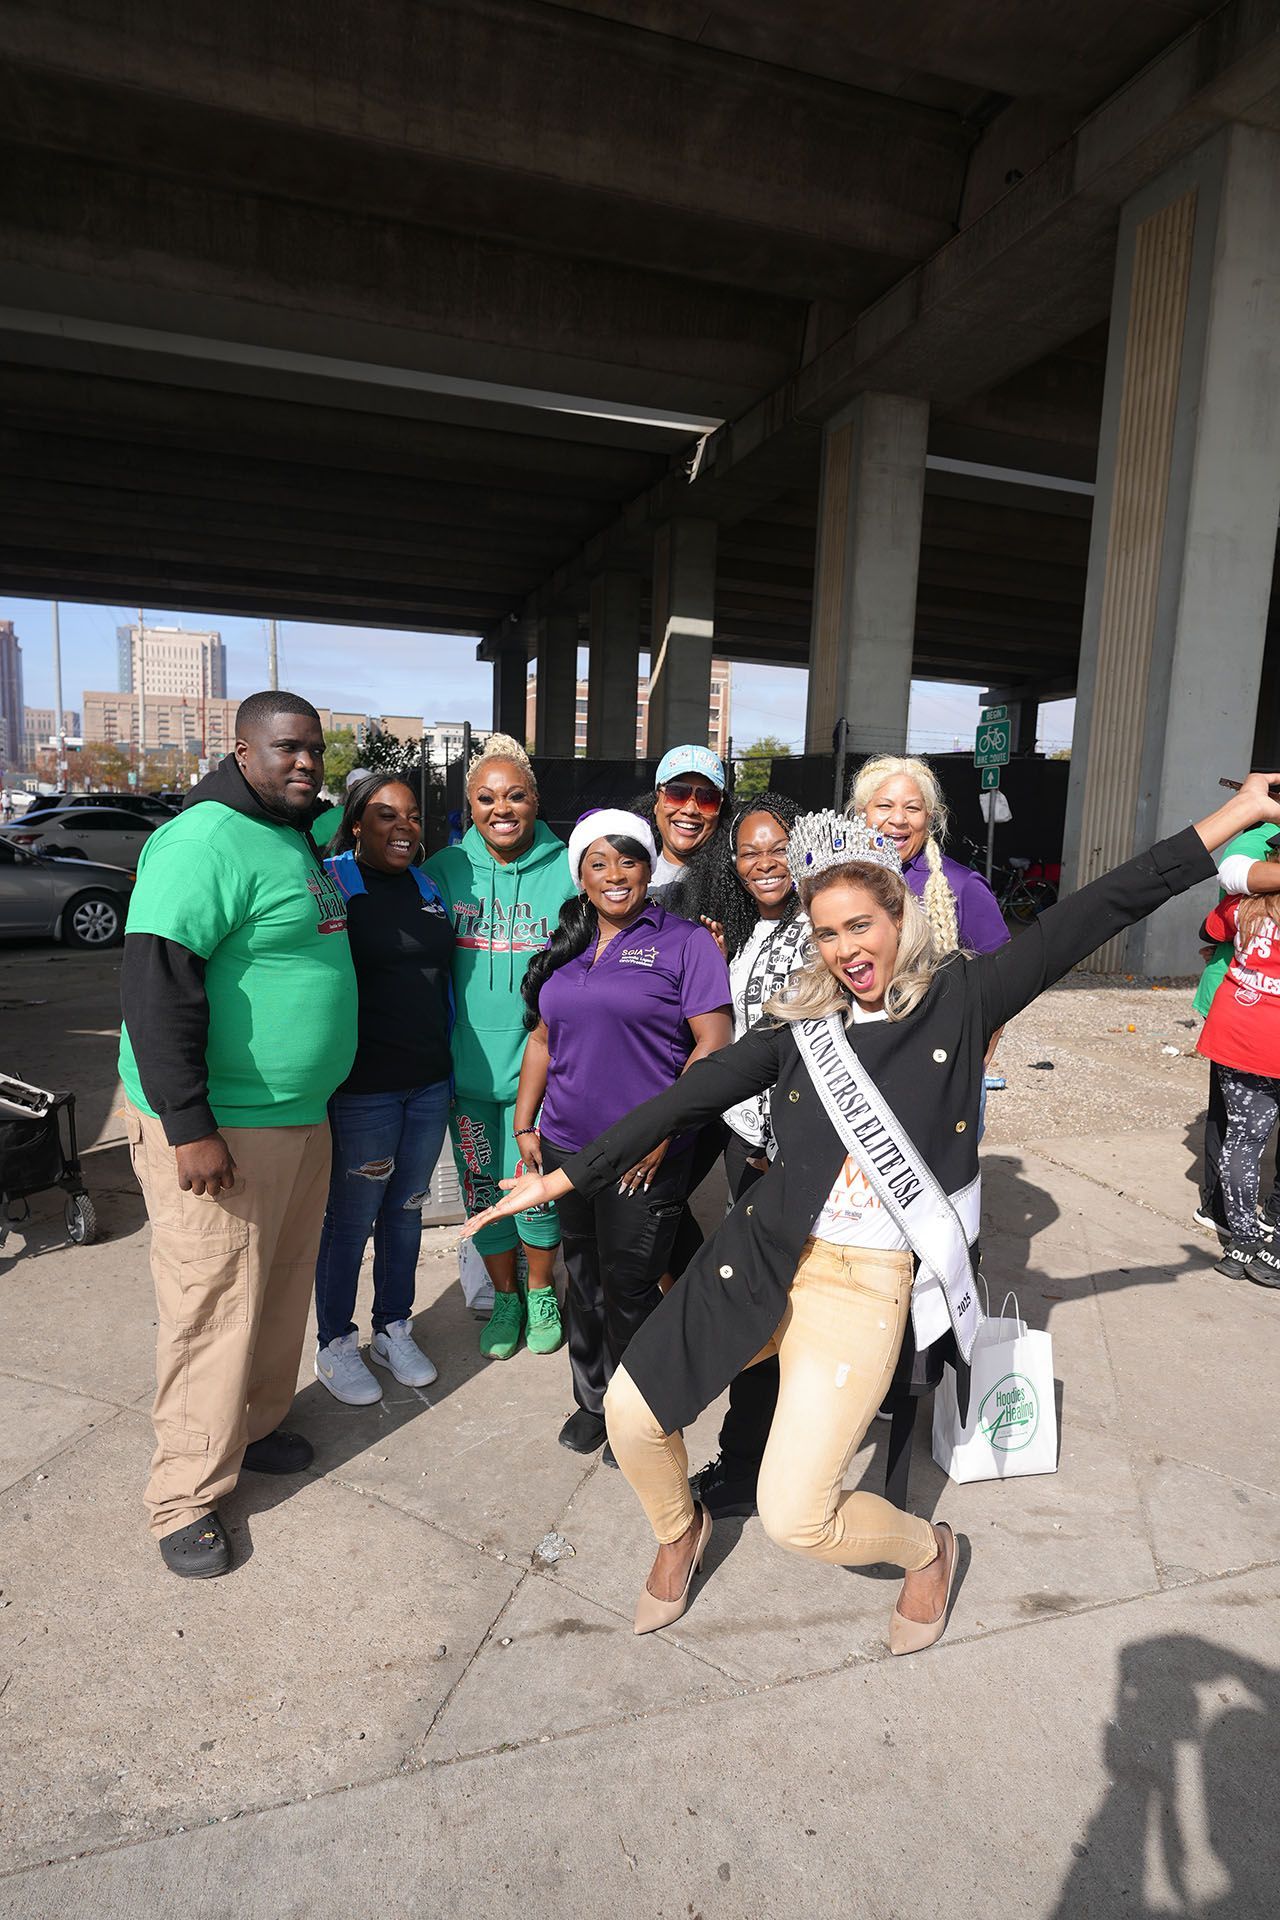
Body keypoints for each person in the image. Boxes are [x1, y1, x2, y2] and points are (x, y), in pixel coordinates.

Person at [465, 774, 1280, 1650]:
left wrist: (1233, 816)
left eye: (862, 926)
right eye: (828, 933)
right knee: (630, 1411)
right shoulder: (798, 1031)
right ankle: (680, 1530)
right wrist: (568, 1175)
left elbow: (1106, 905)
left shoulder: (966, 1000)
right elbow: (691, 1096)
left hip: (863, 1285)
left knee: (795, 1517)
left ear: (899, 920)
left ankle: (928, 1547)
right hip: (765, 1253)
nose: (848, 949)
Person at [118, 693, 358, 1579]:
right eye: (287, 749)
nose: (305, 764)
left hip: (297, 1115)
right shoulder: (205, 839)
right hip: (223, 1128)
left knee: (279, 1286)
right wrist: (189, 1125)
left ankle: (252, 1428)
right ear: (241, 750)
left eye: (316, 751)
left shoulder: (291, 831)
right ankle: (184, 1495)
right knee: (210, 1304)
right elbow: (155, 984)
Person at [515, 809, 732, 1458]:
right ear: (580, 876)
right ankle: (592, 1399)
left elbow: (713, 1042)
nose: (615, 875)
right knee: (583, 1279)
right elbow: (542, 1039)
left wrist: (664, 1133)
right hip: (566, 1147)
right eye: (598, 863)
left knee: (631, 1286)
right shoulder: (565, 945)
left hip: (644, 1153)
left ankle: (639, 1416)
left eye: (629, 860)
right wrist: (525, 1121)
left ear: (648, 868)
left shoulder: (684, 942)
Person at [425, 736, 574, 1359]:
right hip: (467, 1075)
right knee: (482, 1189)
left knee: (533, 1188)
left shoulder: (569, 866)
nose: (501, 808)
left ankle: (541, 1291)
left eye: (515, 795)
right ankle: (505, 1296)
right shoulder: (444, 871)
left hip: (541, 1073)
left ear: (536, 800)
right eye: (486, 798)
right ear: (470, 805)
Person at [311, 776, 455, 1404]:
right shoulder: (333, 881)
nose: (403, 827)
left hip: (427, 1082)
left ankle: (393, 1327)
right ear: (356, 823)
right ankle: (335, 1343)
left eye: (414, 816)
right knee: (351, 1220)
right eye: (385, 815)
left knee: (406, 1211)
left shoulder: (427, 886)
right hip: (362, 1088)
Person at [1195, 835, 1280, 1287]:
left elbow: (1208, 934)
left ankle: (1242, 1243)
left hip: (1242, 1030)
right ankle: (1276, 1249)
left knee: (1243, 1142)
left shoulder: (1241, 905)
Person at [635, 744, 730, 906]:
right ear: (657, 801)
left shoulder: (736, 886)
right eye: (677, 794)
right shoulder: (627, 877)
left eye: (707, 798)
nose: (690, 809)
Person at [311, 765, 371, 853]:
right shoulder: (332, 817)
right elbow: (304, 842)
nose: (362, 792)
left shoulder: (387, 816)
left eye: (366, 786)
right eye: (358, 786)